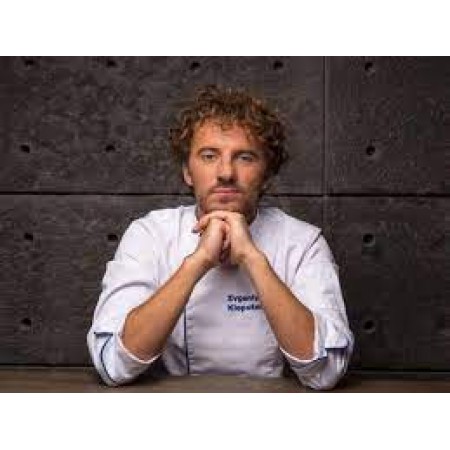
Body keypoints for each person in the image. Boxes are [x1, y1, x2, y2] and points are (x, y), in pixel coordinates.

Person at [87, 85, 354, 390]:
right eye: (209, 155)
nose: (226, 172)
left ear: (267, 175)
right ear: (188, 172)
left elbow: (326, 372)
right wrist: (198, 261)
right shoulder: (150, 235)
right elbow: (114, 364)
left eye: (245, 157)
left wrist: (253, 258)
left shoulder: (303, 243)